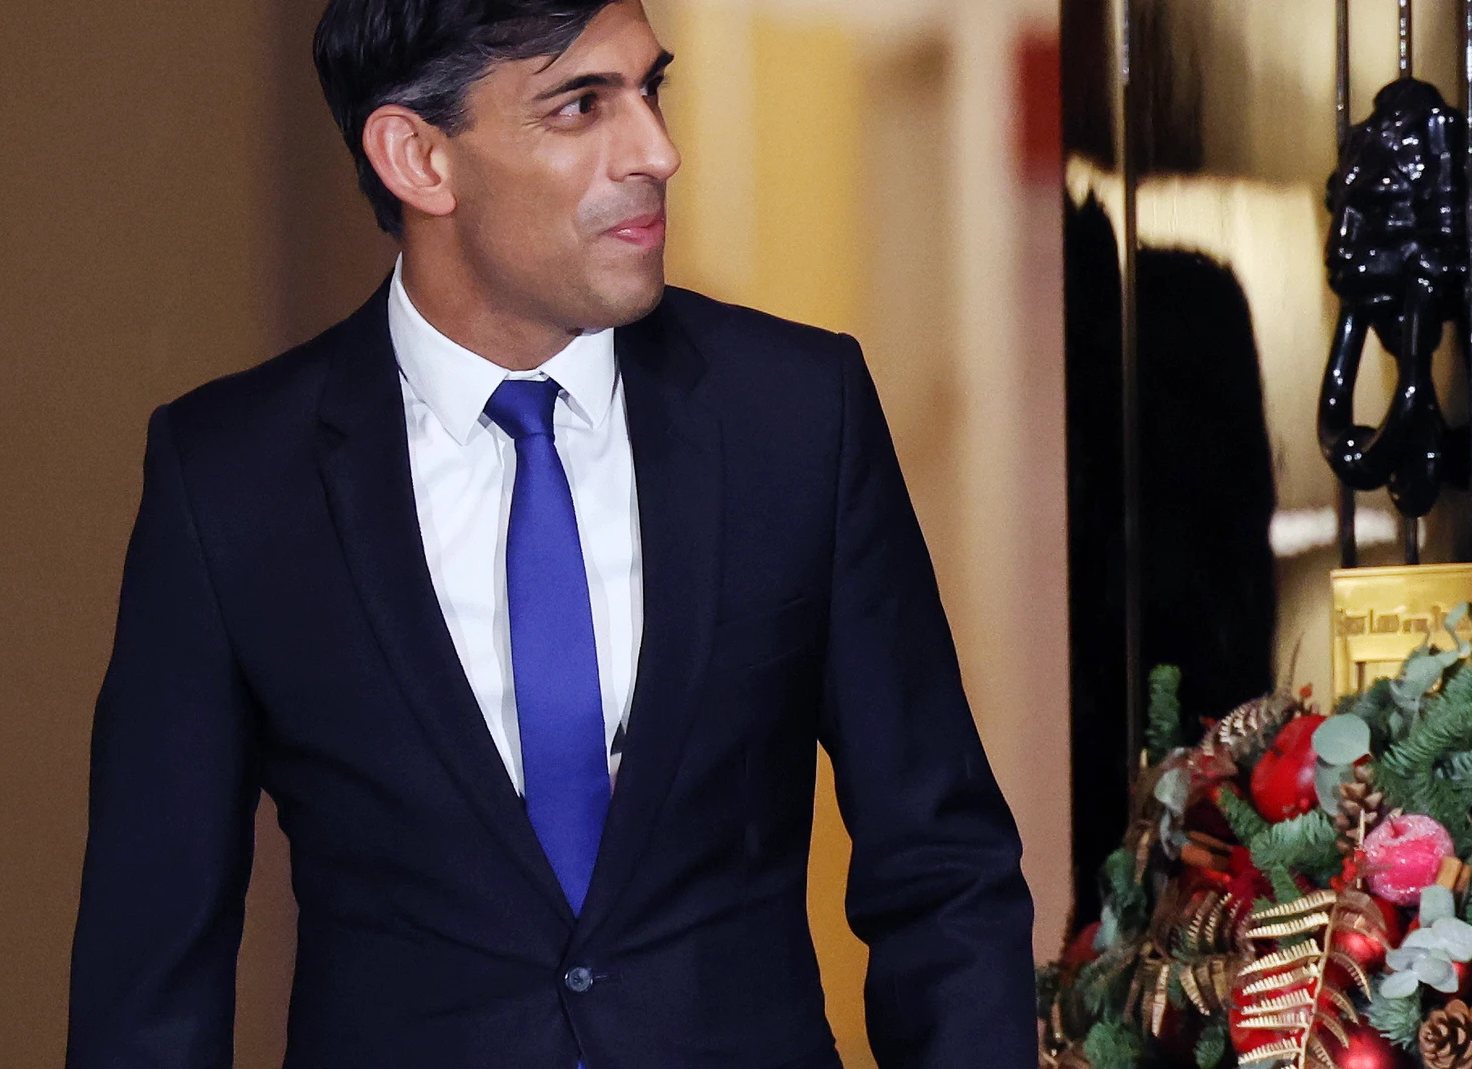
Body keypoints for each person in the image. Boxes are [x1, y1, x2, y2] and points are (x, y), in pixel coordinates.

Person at [65, 1, 1034, 1065]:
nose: (658, 152)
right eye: (581, 105)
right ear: (417, 157)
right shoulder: (231, 474)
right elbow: (150, 974)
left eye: (649, 89)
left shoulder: (797, 413)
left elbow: (941, 870)